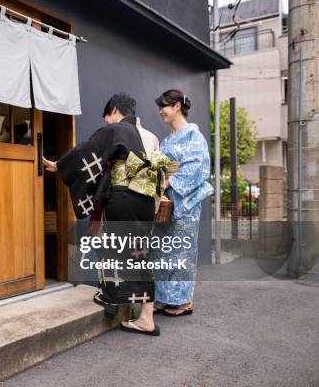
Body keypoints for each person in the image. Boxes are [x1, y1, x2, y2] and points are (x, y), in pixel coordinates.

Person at [43, 93, 162, 336]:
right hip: (146, 200)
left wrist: (59, 165)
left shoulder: (117, 130)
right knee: (140, 254)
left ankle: (111, 297)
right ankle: (146, 317)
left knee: (109, 246)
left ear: (115, 111)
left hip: (124, 199)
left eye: (107, 116)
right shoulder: (146, 135)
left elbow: (87, 151)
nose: (106, 122)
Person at [153, 89, 213, 316]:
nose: (161, 111)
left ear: (177, 106)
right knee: (162, 250)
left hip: (185, 204)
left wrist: (168, 181)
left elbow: (196, 168)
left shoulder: (194, 137)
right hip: (165, 204)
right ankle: (165, 297)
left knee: (182, 252)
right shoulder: (167, 141)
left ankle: (183, 301)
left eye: (164, 106)